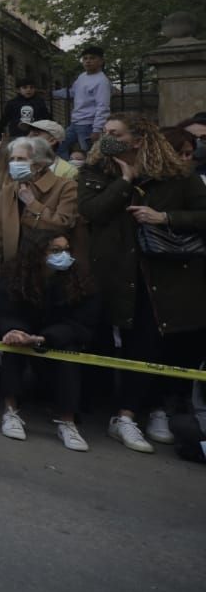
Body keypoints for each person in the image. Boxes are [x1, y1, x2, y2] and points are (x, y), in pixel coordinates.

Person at [79, 113, 206, 453]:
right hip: (115, 271)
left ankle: (154, 410)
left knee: (153, 343)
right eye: (104, 132)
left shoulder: (178, 176)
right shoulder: (96, 172)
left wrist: (165, 217)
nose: (106, 137)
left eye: (114, 133)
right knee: (119, 341)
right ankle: (123, 416)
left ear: (137, 139)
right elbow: (92, 212)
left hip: (163, 274)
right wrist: (124, 181)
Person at [0, 233, 99, 451]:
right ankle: (10, 411)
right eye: (56, 250)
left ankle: (67, 422)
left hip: (59, 336)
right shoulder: (15, 276)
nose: (64, 255)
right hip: (24, 329)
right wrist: (16, 331)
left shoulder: (81, 280)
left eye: (67, 249)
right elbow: (6, 308)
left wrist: (46, 338)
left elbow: (82, 322)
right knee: (13, 345)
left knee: (68, 356)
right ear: (38, 254)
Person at [0, 135, 79, 271]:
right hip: (15, 268)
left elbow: (64, 224)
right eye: (12, 159)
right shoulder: (8, 191)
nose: (14, 163)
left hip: (50, 267)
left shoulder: (66, 186)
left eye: (21, 159)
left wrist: (33, 204)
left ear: (39, 164)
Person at [53, 45, 112, 156]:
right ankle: (68, 172)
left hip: (89, 124)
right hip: (75, 122)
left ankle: (89, 173)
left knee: (90, 154)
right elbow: (72, 92)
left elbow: (103, 106)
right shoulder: (82, 76)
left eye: (92, 58)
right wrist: (51, 93)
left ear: (101, 61)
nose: (88, 61)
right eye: (85, 58)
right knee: (60, 147)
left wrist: (97, 129)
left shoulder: (102, 81)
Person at [0, 76, 52, 143]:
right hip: (17, 135)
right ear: (18, 90)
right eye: (25, 87)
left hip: (36, 135)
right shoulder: (12, 103)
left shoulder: (39, 102)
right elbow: (5, 119)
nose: (28, 90)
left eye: (31, 87)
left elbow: (46, 117)